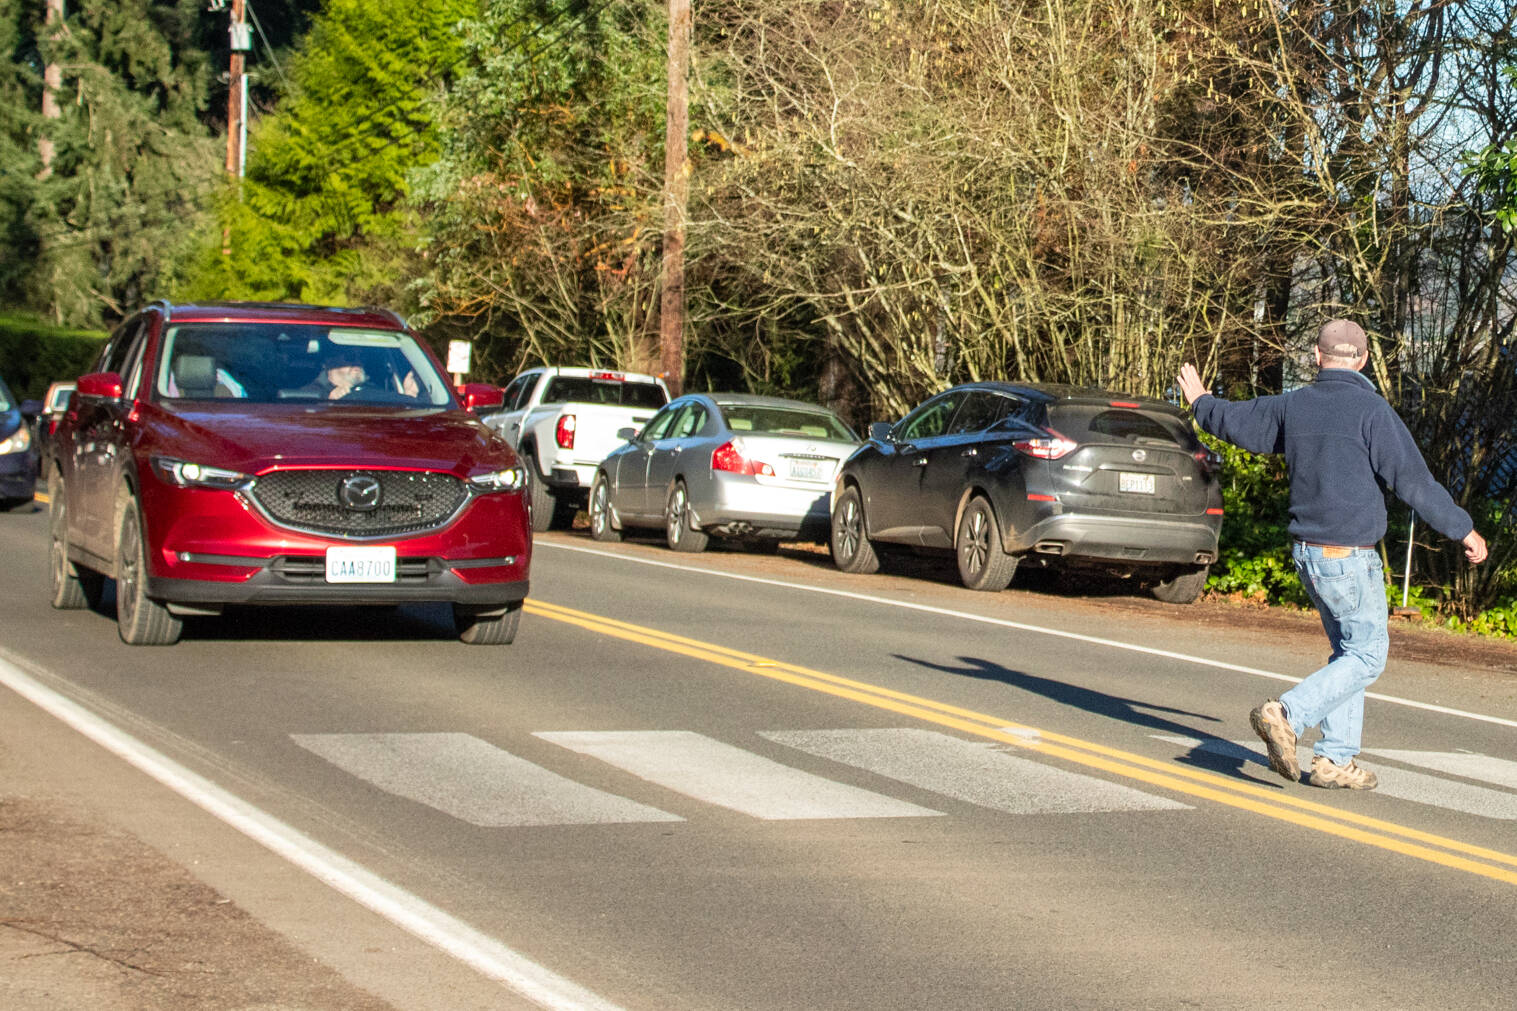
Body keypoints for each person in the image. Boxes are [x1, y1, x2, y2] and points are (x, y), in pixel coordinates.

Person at [1176, 319, 1488, 790]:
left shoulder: (1294, 405)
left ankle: (1333, 760)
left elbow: (1238, 422)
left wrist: (1201, 401)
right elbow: (1414, 482)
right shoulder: (1372, 411)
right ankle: (1286, 713)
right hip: (1348, 557)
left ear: (1317, 358)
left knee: (1348, 652)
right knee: (1368, 656)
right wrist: (1462, 529)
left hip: (1309, 555)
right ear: (1362, 360)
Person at [297, 348, 368, 400]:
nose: (358, 362)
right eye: (350, 357)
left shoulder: (376, 392)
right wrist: (330, 403)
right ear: (330, 361)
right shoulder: (308, 394)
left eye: (361, 358)